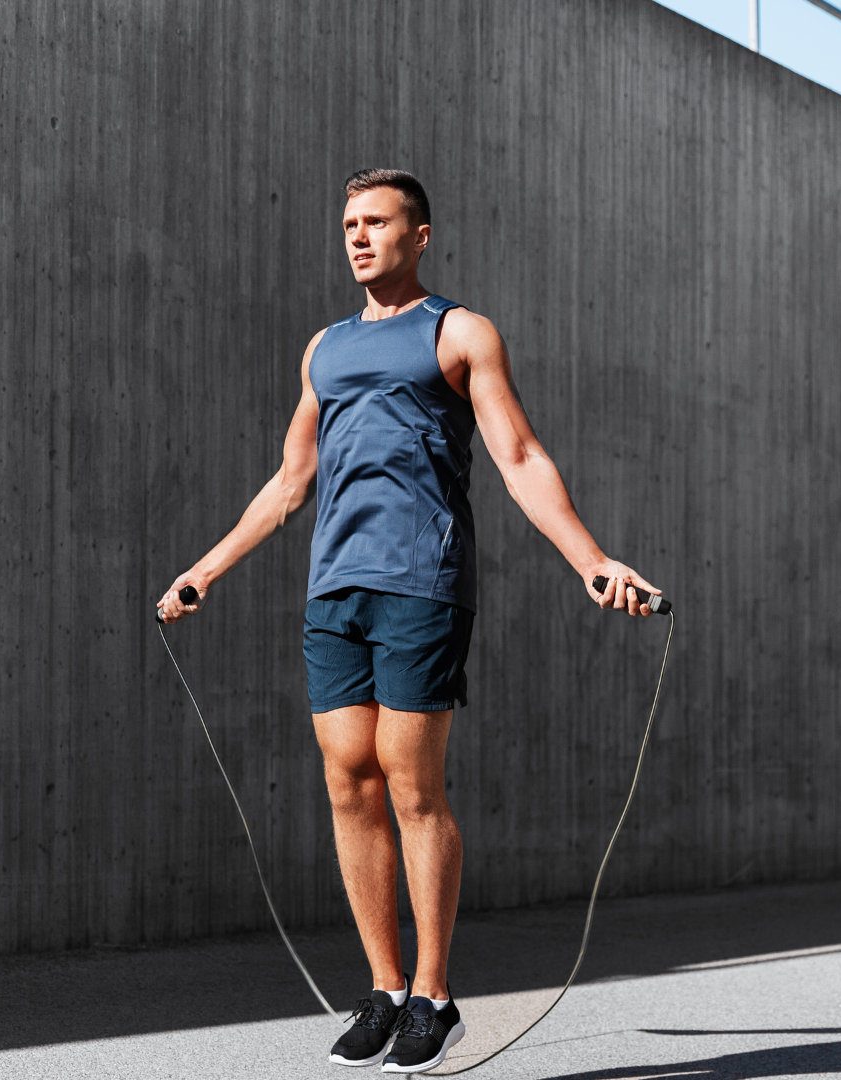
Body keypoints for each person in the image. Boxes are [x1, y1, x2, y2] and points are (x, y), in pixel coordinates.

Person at [156, 168, 659, 1074]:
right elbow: (289, 483)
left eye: (376, 222)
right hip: (333, 589)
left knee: (408, 780)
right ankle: (386, 989)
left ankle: (436, 993)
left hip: (422, 584)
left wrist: (591, 559)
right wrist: (204, 570)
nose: (357, 237)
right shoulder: (325, 348)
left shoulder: (459, 332)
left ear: (418, 235)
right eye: (348, 222)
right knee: (347, 781)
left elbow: (518, 455)